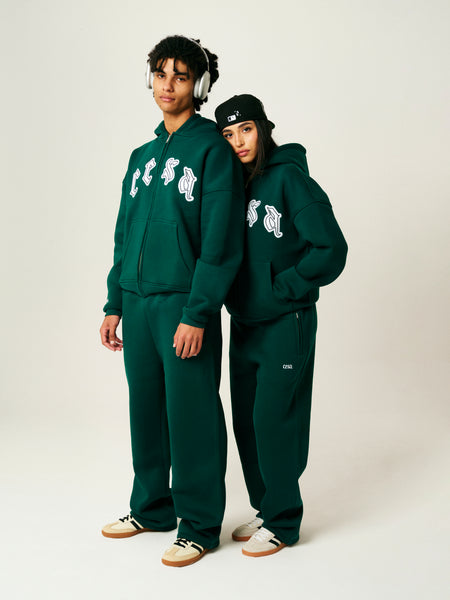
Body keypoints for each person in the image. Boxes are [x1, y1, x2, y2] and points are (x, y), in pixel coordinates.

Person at [99, 36, 244, 567]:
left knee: (192, 414)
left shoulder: (212, 151)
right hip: (138, 304)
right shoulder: (140, 156)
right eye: (160, 74)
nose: (168, 85)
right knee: (147, 411)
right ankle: (152, 508)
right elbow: (124, 234)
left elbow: (220, 242)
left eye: (181, 76)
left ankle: (199, 525)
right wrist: (114, 302)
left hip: (184, 305)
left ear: (198, 85)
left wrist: (198, 312)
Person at [214, 94, 348, 557]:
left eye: (246, 130)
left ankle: (284, 521)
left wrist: (284, 286)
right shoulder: (232, 186)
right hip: (245, 322)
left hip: (285, 321)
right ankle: (266, 506)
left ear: (263, 129)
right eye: (228, 134)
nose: (238, 141)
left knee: (274, 420)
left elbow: (331, 248)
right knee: (248, 422)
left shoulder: (290, 179)